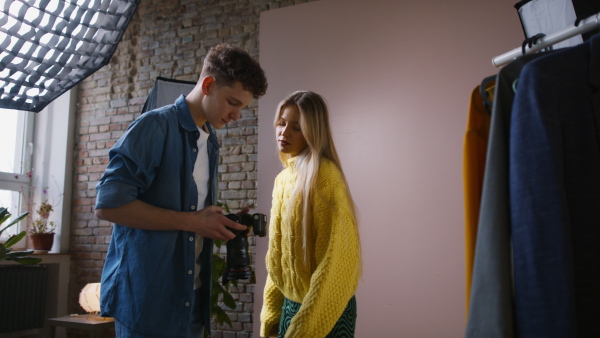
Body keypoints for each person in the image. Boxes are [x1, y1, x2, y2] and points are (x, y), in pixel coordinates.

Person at [94, 43, 268, 337]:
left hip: (191, 298)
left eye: (242, 107)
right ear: (209, 84)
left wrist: (221, 221)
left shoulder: (210, 141)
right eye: (233, 102)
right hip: (148, 302)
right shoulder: (154, 127)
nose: (237, 115)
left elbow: (188, 211)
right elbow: (108, 205)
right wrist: (193, 221)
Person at [260, 91, 362, 338]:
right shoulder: (283, 180)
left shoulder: (325, 177)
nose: (284, 133)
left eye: (296, 127)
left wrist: (305, 326)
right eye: (281, 123)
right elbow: (280, 255)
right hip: (291, 306)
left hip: (327, 308)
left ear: (312, 132)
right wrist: (272, 312)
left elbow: (336, 263)